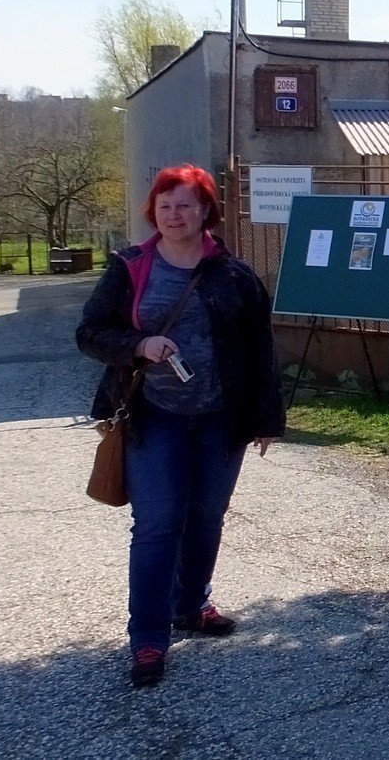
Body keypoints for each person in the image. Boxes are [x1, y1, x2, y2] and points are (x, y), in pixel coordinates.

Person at [76, 164, 284, 687]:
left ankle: (192, 605)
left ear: (206, 210)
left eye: (186, 204)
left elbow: (260, 348)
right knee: (157, 525)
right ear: (154, 211)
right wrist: (138, 346)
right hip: (154, 416)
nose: (174, 215)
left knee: (207, 515)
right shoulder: (130, 267)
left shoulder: (233, 274)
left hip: (220, 417)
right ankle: (147, 639)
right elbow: (90, 333)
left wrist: (265, 418)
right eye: (165, 205)